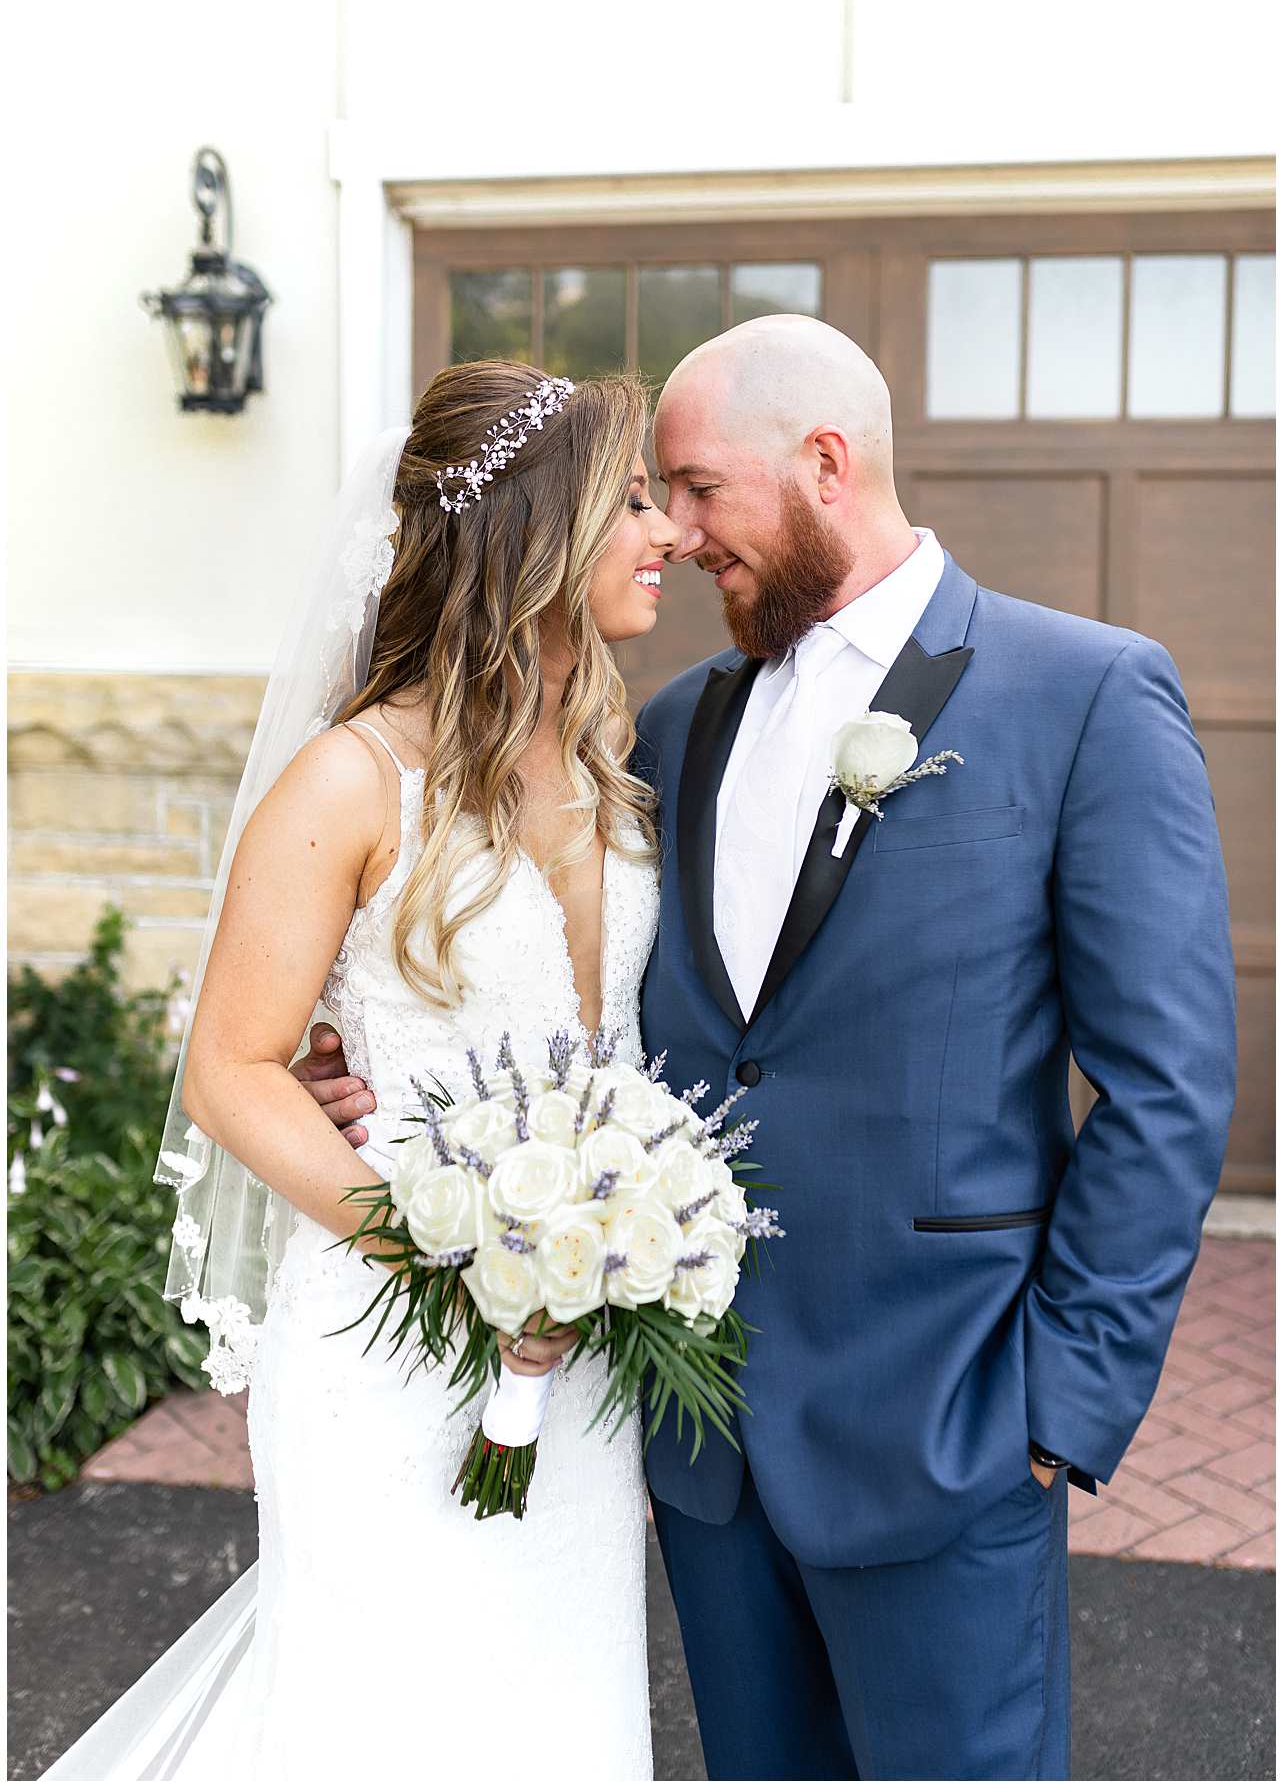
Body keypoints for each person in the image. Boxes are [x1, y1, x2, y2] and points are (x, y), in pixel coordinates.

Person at [307, 314, 1234, 1779]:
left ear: (824, 463)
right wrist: (358, 1067)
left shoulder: (1085, 696)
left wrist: (1062, 1404)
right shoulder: (672, 730)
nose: (674, 532)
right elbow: (573, 1003)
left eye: (697, 488)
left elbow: (1167, 1087)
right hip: (704, 1442)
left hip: (951, 1426)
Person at [43, 363, 679, 1783]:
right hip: (397, 1342)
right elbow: (230, 1071)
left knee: (554, 1705)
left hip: (579, 1350)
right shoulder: (351, 778)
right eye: (632, 501)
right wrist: (457, 1261)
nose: (669, 532)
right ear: (539, 533)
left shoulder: (604, 760)